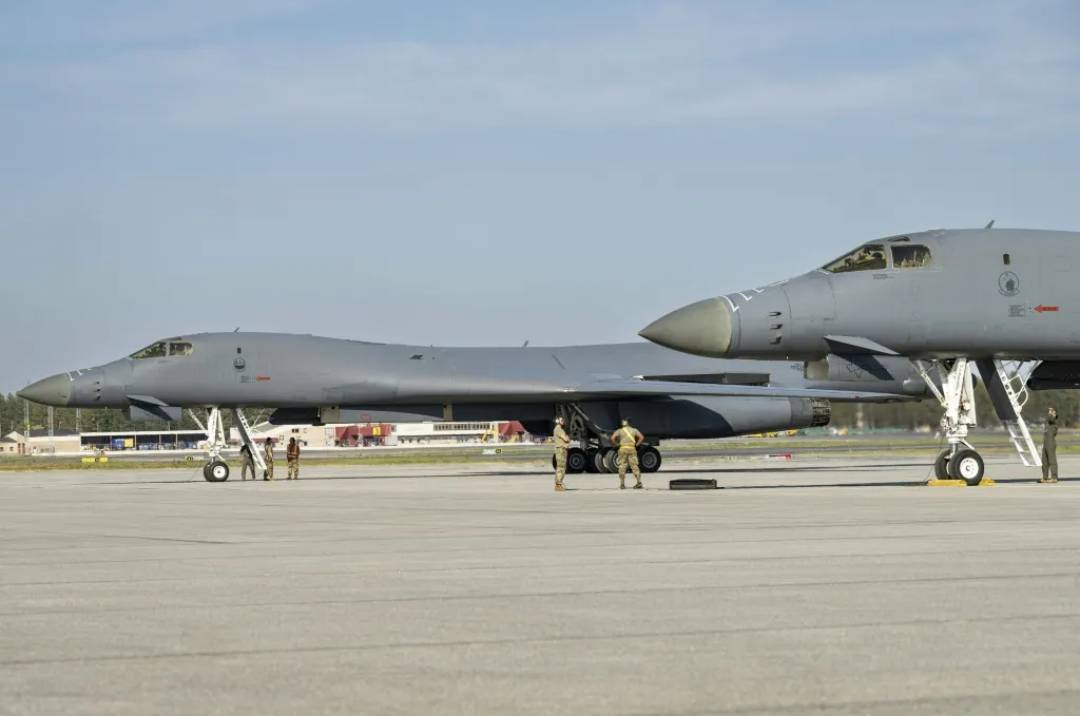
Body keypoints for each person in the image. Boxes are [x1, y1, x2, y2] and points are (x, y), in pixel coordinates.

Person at [610, 419, 644, 490]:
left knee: (622, 465)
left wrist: (617, 444)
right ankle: (639, 483)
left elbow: (612, 438)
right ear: (629, 424)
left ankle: (622, 484)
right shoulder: (634, 430)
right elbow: (641, 437)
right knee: (634, 466)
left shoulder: (619, 431)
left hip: (623, 449)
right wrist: (637, 445)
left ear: (623, 424)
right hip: (632, 449)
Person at [552, 417, 571, 491]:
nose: (563, 421)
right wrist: (568, 438)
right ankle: (558, 485)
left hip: (561, 450)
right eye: (562, 420)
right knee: (561, 467)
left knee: (560, 467)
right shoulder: (559, 429)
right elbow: (566, 439)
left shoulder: (557, 429)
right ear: (558, 421)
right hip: (561, 450)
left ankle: (559, 484)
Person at [1041, 407, 1059, 483]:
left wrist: (1051, 414)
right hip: (1046, 441)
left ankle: (1054, 477)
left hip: (1051, 442)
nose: (1049, 412)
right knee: (1044, 461)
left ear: (1055, 412)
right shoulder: (1049, 420)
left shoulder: (1054, 420)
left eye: (1051, 411)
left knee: (1052, 460)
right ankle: (1045, 477)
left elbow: (1051, 419)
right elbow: (1048, 419)